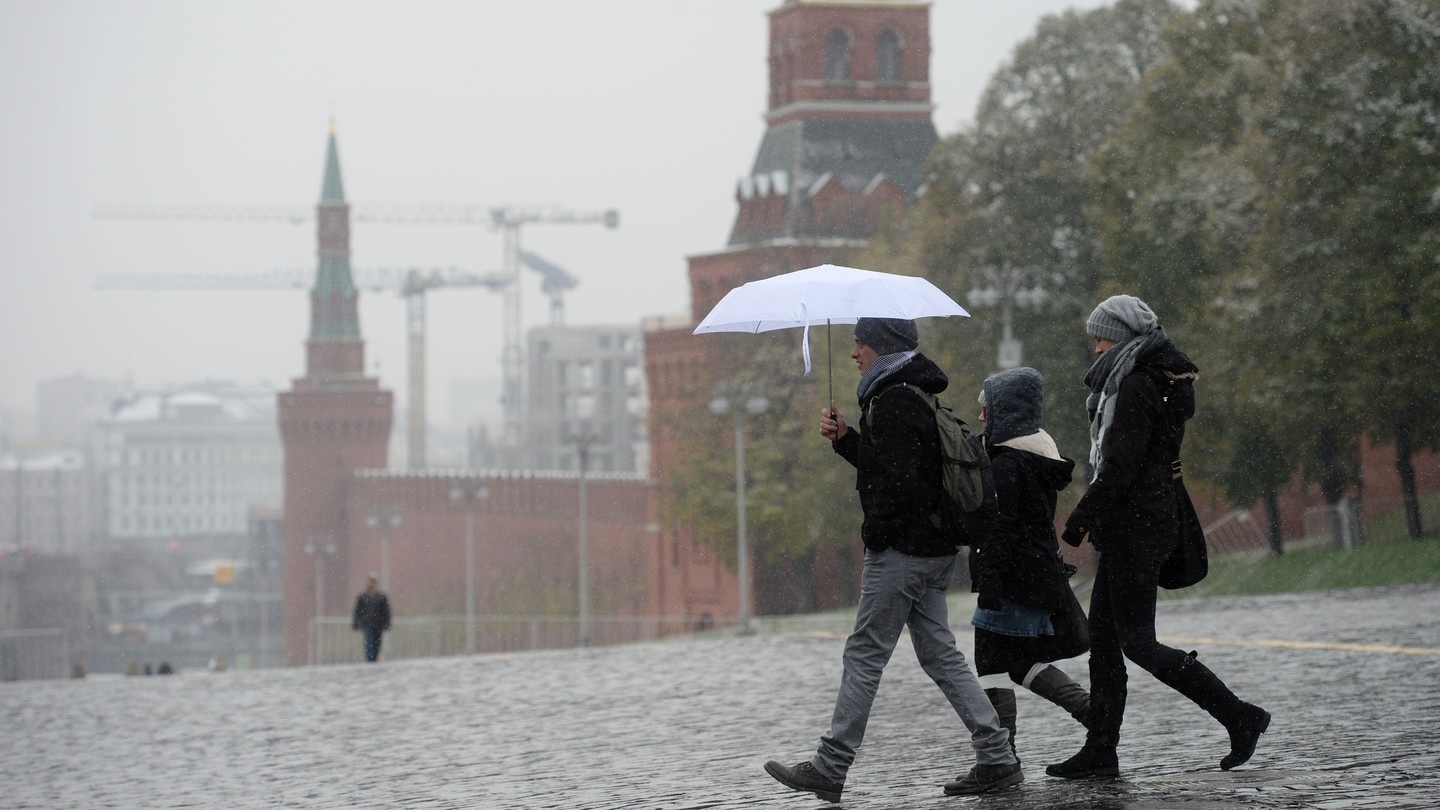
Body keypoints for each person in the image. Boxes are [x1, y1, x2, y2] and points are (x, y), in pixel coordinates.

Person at [764, 317, 1022, 803]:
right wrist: (847, 439)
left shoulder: (893, 400)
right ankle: (998, 757)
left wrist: (878, 536)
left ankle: (830, 764)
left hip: (902, 553)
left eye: (858, 344)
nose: (853, 354)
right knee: (939, 654)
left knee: (865, 652)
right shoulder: (910, 394)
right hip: (932, 551)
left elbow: (900, 485)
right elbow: (898, 471)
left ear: (880, 347)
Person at [1048, 295, 1270, 779]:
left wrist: (1080, 518)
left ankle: (1238, 715)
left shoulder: (1135, 388)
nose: (1096, 348)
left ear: (1124, 339)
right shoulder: (1147, 383)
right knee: (1104, 641)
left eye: (1102, 338)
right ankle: (1101, 749)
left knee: (1138, 642)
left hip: (1137, 527)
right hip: (1137, 523)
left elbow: (1123, 466)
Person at [969, 367, 1091, 761]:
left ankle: (1003, 757)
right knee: (1017, 661)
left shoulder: (1007, 464)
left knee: (993, 660)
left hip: (1014, 577)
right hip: (1031, 574)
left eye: (987, 408)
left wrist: (989, 582)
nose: (982, 416)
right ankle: (1091, 714)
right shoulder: (1030, 457)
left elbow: (1003, 529)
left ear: (1004, 412)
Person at [352, 574, 392, 663]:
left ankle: (374, 660)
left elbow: (386, 611)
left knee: (377, 645)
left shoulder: (381, 596)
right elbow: (357, 611)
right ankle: (370, 662)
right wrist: (356, 623)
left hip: (378, 624)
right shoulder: (362, 597)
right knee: (369, 644)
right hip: (367, 624)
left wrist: (386, 623)